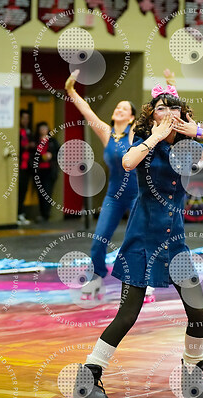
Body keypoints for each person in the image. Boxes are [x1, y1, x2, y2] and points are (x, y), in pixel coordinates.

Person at [76, 85, 203, 398]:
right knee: (127, 315)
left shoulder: (189, 148)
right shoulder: (144, 142)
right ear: (152, 116)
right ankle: (88, 376)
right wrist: (154, 137)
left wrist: (199, 132)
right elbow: (128, 162)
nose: (167, 112)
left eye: (173, 107)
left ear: (182, 114)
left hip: (175, 245)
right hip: (141, 242)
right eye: (160, 108)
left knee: (198, 313)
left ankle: (192, 375)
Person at [65, 70, 139, 301]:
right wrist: (71, 91)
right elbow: (87, 112)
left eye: (124, 108)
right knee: (99, 241)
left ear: (132, 118)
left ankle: (143, 283)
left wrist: (169, 87)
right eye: (117, 107)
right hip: (114, 197)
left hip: (137, 196)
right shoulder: (107, 133)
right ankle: (96, 279)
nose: (119, 109)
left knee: (137, 240)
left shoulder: (134, 134)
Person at [33, 122, 60, 223]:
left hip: (50, 170)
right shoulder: (35, 141)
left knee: (47, 192)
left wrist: (51, 156)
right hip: (39, 170)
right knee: (40, 192)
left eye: (45, 128)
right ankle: (42, 213)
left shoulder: (52, 141)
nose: (43, 130)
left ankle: (46, 214)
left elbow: (59, 153)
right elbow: (32, 155)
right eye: (41, 128)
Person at [18, 109, 35, 225]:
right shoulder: (17, 131)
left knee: (24, 190)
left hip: (27, 166)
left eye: (27, 118)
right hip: (19, 166)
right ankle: (16, 213)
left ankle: (21, 213)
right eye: (24, 118)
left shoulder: (29, 132)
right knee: (18, 191)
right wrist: (26, 146)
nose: (26, 120)